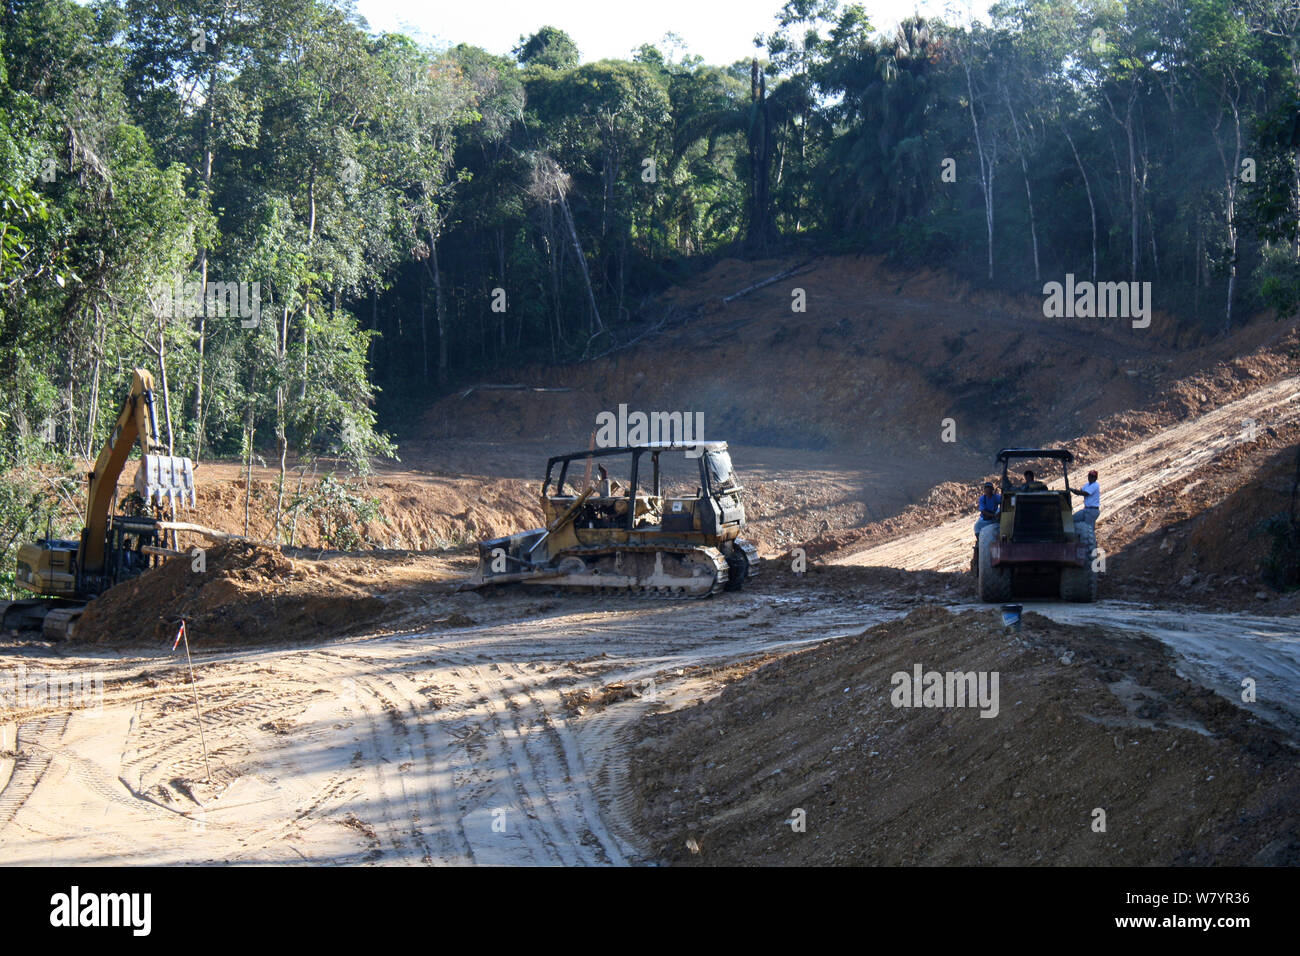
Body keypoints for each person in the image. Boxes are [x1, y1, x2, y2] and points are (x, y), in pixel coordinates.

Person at [972, 482, 1002, 573]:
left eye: (989, 488)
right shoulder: (982, 499)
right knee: (977, 526)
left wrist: (999, 513)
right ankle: (979, 541)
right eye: (986, 488)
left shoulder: (996, 497)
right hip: (986, 518)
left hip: (995, 517)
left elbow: (1004, 501)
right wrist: (993, 515)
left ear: (992, 490)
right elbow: (983, 511)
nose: (988, 490)